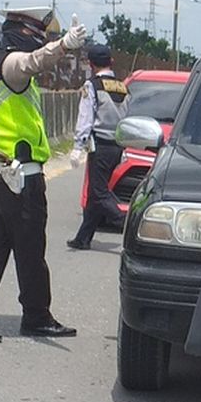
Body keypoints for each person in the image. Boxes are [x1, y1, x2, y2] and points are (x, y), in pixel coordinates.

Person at [0, 6, 87, 344]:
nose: (42, 39)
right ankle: (35, 317)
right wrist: (64, 45)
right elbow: (32, 62)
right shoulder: (10, 65)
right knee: (30, 249)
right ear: (24, 32)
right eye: (39, 33)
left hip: (0, 171)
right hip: (16, 177)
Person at [67, 44, 128, 250]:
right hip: (118, 146)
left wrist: (78, 145)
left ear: (91, 64)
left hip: (100, 145)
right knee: (95, 194)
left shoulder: (91, 86)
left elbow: (86, 118)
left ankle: (127, 224)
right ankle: (83, 238)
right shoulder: (123, 86)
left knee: (99, 192)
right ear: (111, 62)